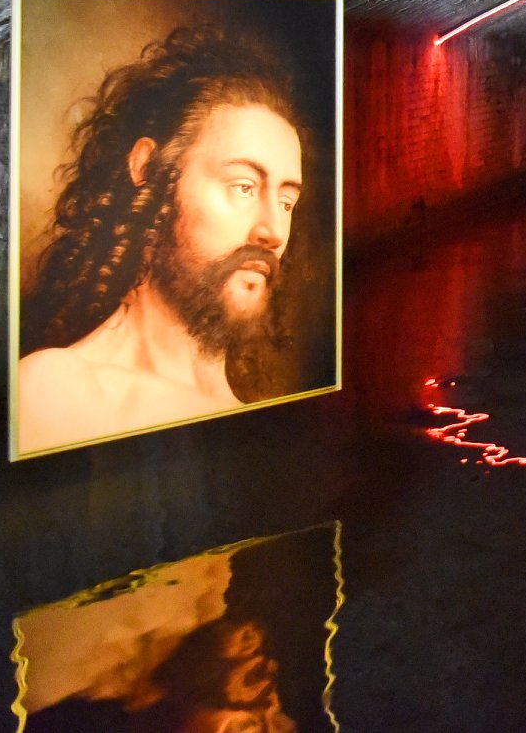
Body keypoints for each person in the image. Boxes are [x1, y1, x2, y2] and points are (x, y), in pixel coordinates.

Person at [18, 27, 309, 455]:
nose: (272, 232)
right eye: (243, 187)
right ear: (149, 169)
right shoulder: (58, 394)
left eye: (286, 201)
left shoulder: (258, 415)